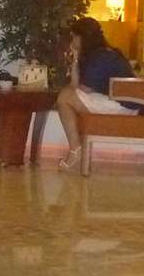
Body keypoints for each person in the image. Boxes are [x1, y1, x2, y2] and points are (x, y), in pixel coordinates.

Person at [55, 16, 136, 172]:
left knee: (64, 97)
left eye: (74, 37)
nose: (72, 41)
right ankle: (76, 148)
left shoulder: (103, 57)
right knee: (65, 96)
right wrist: (75, 58)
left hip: (123, 105)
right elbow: (75, 85)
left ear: (82, 37)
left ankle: (75, 149)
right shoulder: (97, 54)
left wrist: (76, 60)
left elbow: (82, 88)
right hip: (116, 100)